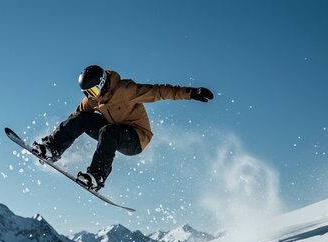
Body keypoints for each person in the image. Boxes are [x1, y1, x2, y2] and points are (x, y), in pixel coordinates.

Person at [31, 65, 214, 191]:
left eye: (93, 92)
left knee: (109, 132)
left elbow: (159, 91)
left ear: (102, 83)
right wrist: (57, 139)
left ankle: (97, 176)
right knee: (82, 117)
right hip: (113, 131)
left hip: (136, 138)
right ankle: (52, 149)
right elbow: (75, 120)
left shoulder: (126, 90)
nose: (91, 97)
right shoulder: (92, 100)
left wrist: (191, 93)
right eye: (87, 94)